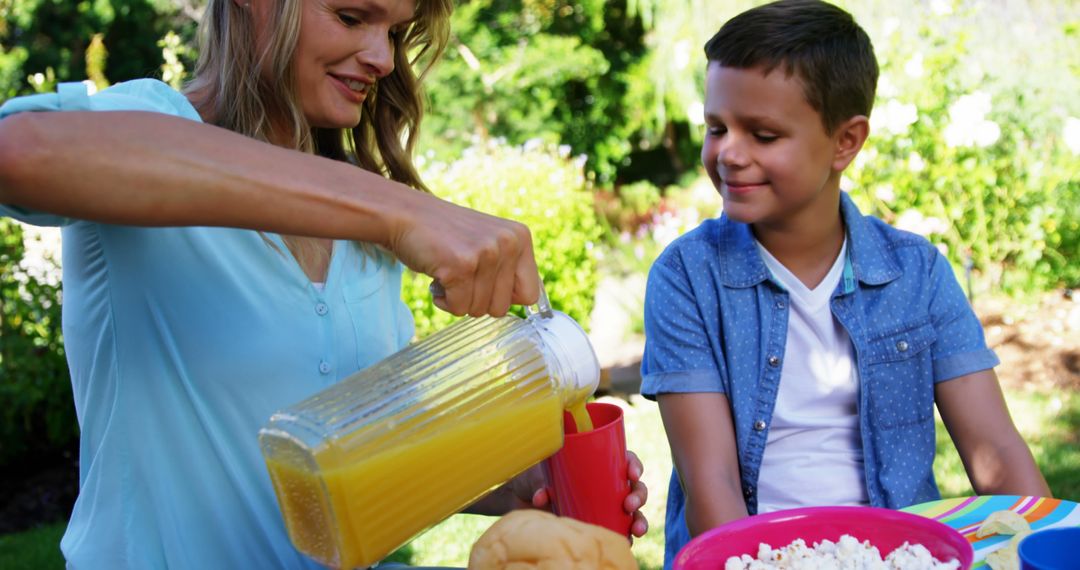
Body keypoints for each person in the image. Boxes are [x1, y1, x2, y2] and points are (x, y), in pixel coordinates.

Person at [0, 0, 647, 567]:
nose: (383, 57)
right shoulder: (146, 122)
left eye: (395, 30)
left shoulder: (366, 245)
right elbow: (19, 153)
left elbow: (350, 466)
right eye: (351, 16)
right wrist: (402, 211)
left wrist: (508, 484)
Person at [639, 0, 1051, 566]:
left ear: (845, 142)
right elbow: (713, 488)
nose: (729, 153)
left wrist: (1039, 548)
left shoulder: (918, 272)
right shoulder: (687, 276)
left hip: (901, 555)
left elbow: (996, 450)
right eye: (717, 127)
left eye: (762, 134)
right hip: (753, 557)